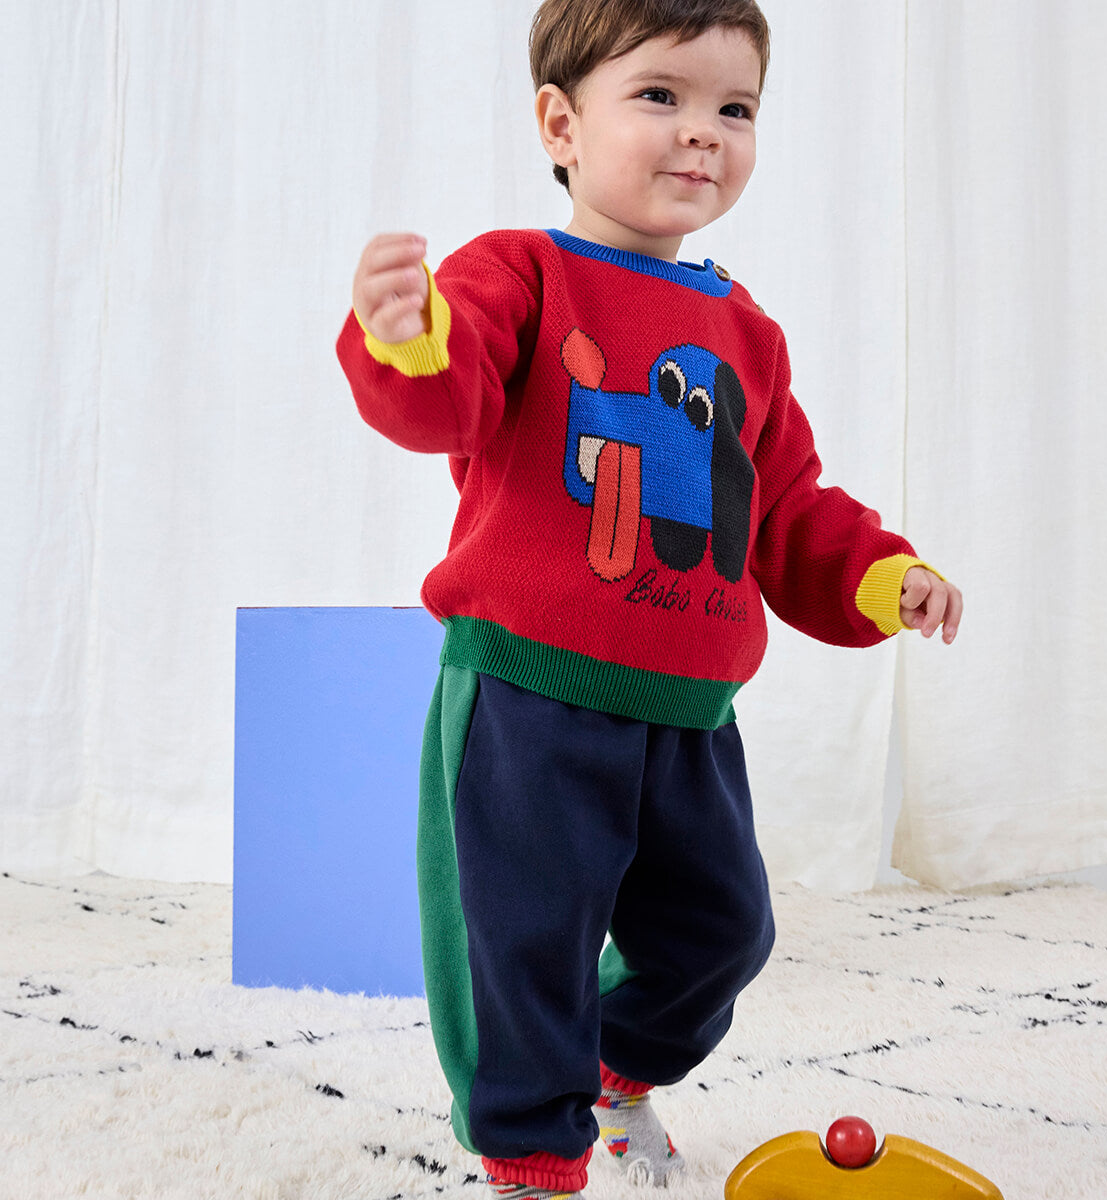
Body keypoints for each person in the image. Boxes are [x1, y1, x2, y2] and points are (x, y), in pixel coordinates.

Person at [337, 1, 963, 1196]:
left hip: (688, 716)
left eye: (736, 107)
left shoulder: (745, 332)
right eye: (661, 96)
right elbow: (447, 402)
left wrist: (886, 576)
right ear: (561, 126)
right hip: (529, 699)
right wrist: (407, 339)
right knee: (522, 945)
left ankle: (614, 1071)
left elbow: (788, 510)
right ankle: (532, 1158)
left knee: (722, 932)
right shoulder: (517, 273)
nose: (703, 132)